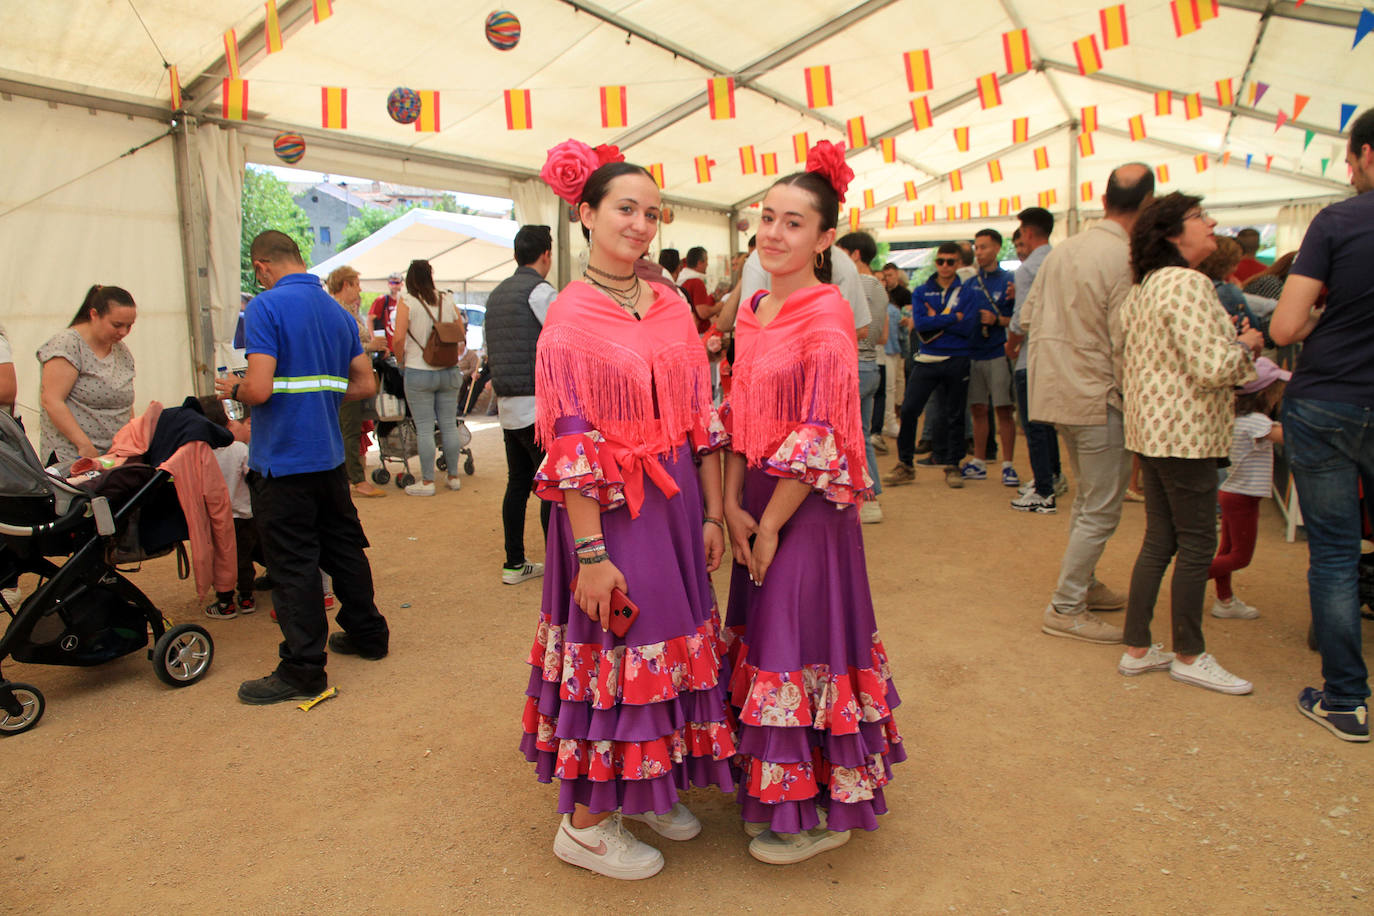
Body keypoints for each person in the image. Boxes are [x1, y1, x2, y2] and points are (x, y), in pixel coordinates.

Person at [519, 142, 733, 881]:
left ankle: (641, 789)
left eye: (650, 212)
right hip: (606, 512)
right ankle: (582, 825)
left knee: (669, 638)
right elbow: (570, 440)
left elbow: (699, 416)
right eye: (624, 209)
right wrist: (588, 553)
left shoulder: (671, 303)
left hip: (673, 502)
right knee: (622, 644)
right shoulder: (570, 318)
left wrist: (711, 513)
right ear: (586, 215)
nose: (640, 224)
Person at [724, 142, 903, 866]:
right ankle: (780, 789)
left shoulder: (827, 315)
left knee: (802, 642)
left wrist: (768, 520)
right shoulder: (757, 304)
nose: (773, 234)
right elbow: (739, 412)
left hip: (807, 510)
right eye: (767, 218)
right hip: (759, 502)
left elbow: (822, 433)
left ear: (826, 239)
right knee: (768, 635)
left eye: (794, 223)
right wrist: (734, 504)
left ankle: (822, 804)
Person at [215, 230, 389, 705]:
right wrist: (320, 395)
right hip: (328, 456)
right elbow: (364, 383)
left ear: (262, 266)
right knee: (344, 548)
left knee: (293, 564)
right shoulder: (337, 312)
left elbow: (260, 388)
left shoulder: (263, 308)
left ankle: (303, 667)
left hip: (282, 460)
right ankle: (369, 634)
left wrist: (231, 389)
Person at [1114, 192, 1262, 694]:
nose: (1212, 223)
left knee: (1161, 538)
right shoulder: (1187, 283)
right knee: (1197, 541)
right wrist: (1247, 345)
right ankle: (1189, 653)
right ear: (1173, 234)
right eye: (1200, 217)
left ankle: (1138, 648)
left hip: (1154, 432)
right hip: (1186, 435)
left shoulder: (1147, 286)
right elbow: (1213, 367)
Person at [1270, 107, 1374, 742]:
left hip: (1330, 399)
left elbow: (1283, 328)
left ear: (1364, 156)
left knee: (1333, 553)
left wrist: (1320, 319)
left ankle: (1346, 701)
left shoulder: (1338, 221)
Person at [1021, 165, 1153, 643]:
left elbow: (1028, 316)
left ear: (1104, 197)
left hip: (1056, 388)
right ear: (1147, 204)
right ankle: (1067, 603)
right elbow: (1127, 336)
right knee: (1101, 506)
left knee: (1089, 500)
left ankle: (1084, 584)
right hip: (1099, 393)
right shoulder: (1126, 257)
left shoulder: (1063, 251)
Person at [485, 224, 556, 585]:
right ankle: (556, 567)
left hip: (507, 405)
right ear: (546, 254)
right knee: (551, 483)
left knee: (518, 483)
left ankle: (514, 562)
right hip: (538, 405)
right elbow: (563, 342)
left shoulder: (495, 295)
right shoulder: (541, 292)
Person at [885, 242, 975, 489]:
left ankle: (953, 464)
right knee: (910, 410)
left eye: (950, 261)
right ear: (936, 262)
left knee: (955, 413)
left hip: (957, 358)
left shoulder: (967, 292)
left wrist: (937, 319)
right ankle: (905, 464)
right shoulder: (922, 290)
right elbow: (921, 325)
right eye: (940, 261)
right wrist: (951, 318)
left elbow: (967, 326)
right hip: (927, 359)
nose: (945, 266)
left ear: (958, 263)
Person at [1207, 358, 1290, 619]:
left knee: (1228, 551)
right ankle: (1193, 574)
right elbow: (1287, 437)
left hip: (1233, 493)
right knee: (1241, 557)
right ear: (1265, 393)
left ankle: (1225, 600)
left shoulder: (1236, 417)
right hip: (1242, 497)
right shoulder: (1256, 421)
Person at [393, 259, 469, 496]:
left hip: (418, 370)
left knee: (425, 429)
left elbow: (397, 338)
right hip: (448, 371)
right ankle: (453, 476)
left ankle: (427, 482)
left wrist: (400, 360)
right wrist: (454, 354)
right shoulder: (446, 298)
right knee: (448, 424)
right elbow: (460, 330)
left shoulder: (407, 301)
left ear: (409, 279)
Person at [38, 285, 137, 465]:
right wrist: (84, 446)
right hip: (74, 458)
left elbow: (126, 402)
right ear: (94, 315)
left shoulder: (121, 350)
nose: (123, 332)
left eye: (129, 326)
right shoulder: (67, 344)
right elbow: (51, 400)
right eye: (117, 325)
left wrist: (130, 442)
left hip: (114, 457)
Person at [1007, 207, 1064, 512]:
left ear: (1028, 233)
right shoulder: (1062, 261)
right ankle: (1052, 476)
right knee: (1047, 423)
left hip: (1031, 355)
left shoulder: (1028, 269)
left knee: (1033, 426)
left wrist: (1012, 344)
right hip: (1057, 355)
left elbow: (1020, 318)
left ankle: (1044, 490)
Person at [837, 232, 889, 525]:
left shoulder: (854, 284)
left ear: (854, 254)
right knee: (863, 436)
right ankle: (870, 496)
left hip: (852, 365)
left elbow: (856, 330)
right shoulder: (880, 287)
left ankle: (866, 498)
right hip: (871, 367)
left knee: (850, 438)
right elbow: (880, 335)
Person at [959, 228, 1018, 487]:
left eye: (983, 247)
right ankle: (979, 462)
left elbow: (1018, 320)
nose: (979, 252)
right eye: (976, 247)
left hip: (998, 352)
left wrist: (997, 320)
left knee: (1003, 409)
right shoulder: (969, 284)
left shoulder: (1009, 281)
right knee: (978, 409)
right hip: (973, 353)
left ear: (997, 248)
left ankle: (1008, 465)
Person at [325, 265, 387, 498]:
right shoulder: (337, 311)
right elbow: (340, 347)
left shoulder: (345, 310)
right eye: (356, 285)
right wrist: (370, 347)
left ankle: (352, 475)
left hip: (352, 375)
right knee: (349, 428)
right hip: (347, 376)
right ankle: (356, 479)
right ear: (346, 285)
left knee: (352, 428)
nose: (360, 290)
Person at [198, 395, 260, 619]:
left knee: (221, 559)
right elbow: (253, 477)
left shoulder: (200, 453)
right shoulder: (239, 449)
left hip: (217, 519)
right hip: (245, 515)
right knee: (244, 558)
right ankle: (246, 597)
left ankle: (225, 603)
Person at [679, 246, 719, 333]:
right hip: (698, 331)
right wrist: (720, 306)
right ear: (700, 263)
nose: (707, 265)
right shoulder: (697, 282)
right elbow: (703, 313)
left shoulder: (681, 279)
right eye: (706, 261)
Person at [367, 271, 403, 350]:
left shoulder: (406, 301)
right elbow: (370, 319)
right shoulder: (382, 300)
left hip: (403, 347)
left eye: (396, 283)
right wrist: (373, 339)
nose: (394, 286)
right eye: (391, 283)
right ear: (388, 284)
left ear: (401, 284)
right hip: (387, 347)